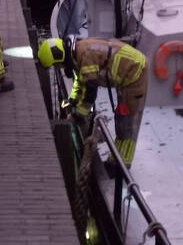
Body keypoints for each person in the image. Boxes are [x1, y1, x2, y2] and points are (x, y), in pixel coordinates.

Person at [36, 36, 149, 165]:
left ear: (59, 58)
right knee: (121, 117)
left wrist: (78, 115)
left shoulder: (86, 59)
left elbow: (90, 92)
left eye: (57, 65)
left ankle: (122, 163)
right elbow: (81, 80)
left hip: (135, 73)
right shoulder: (78, 51)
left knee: (125, 121)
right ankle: (118, 157)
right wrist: (73, 100)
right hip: (127, 69)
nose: (59, 68)